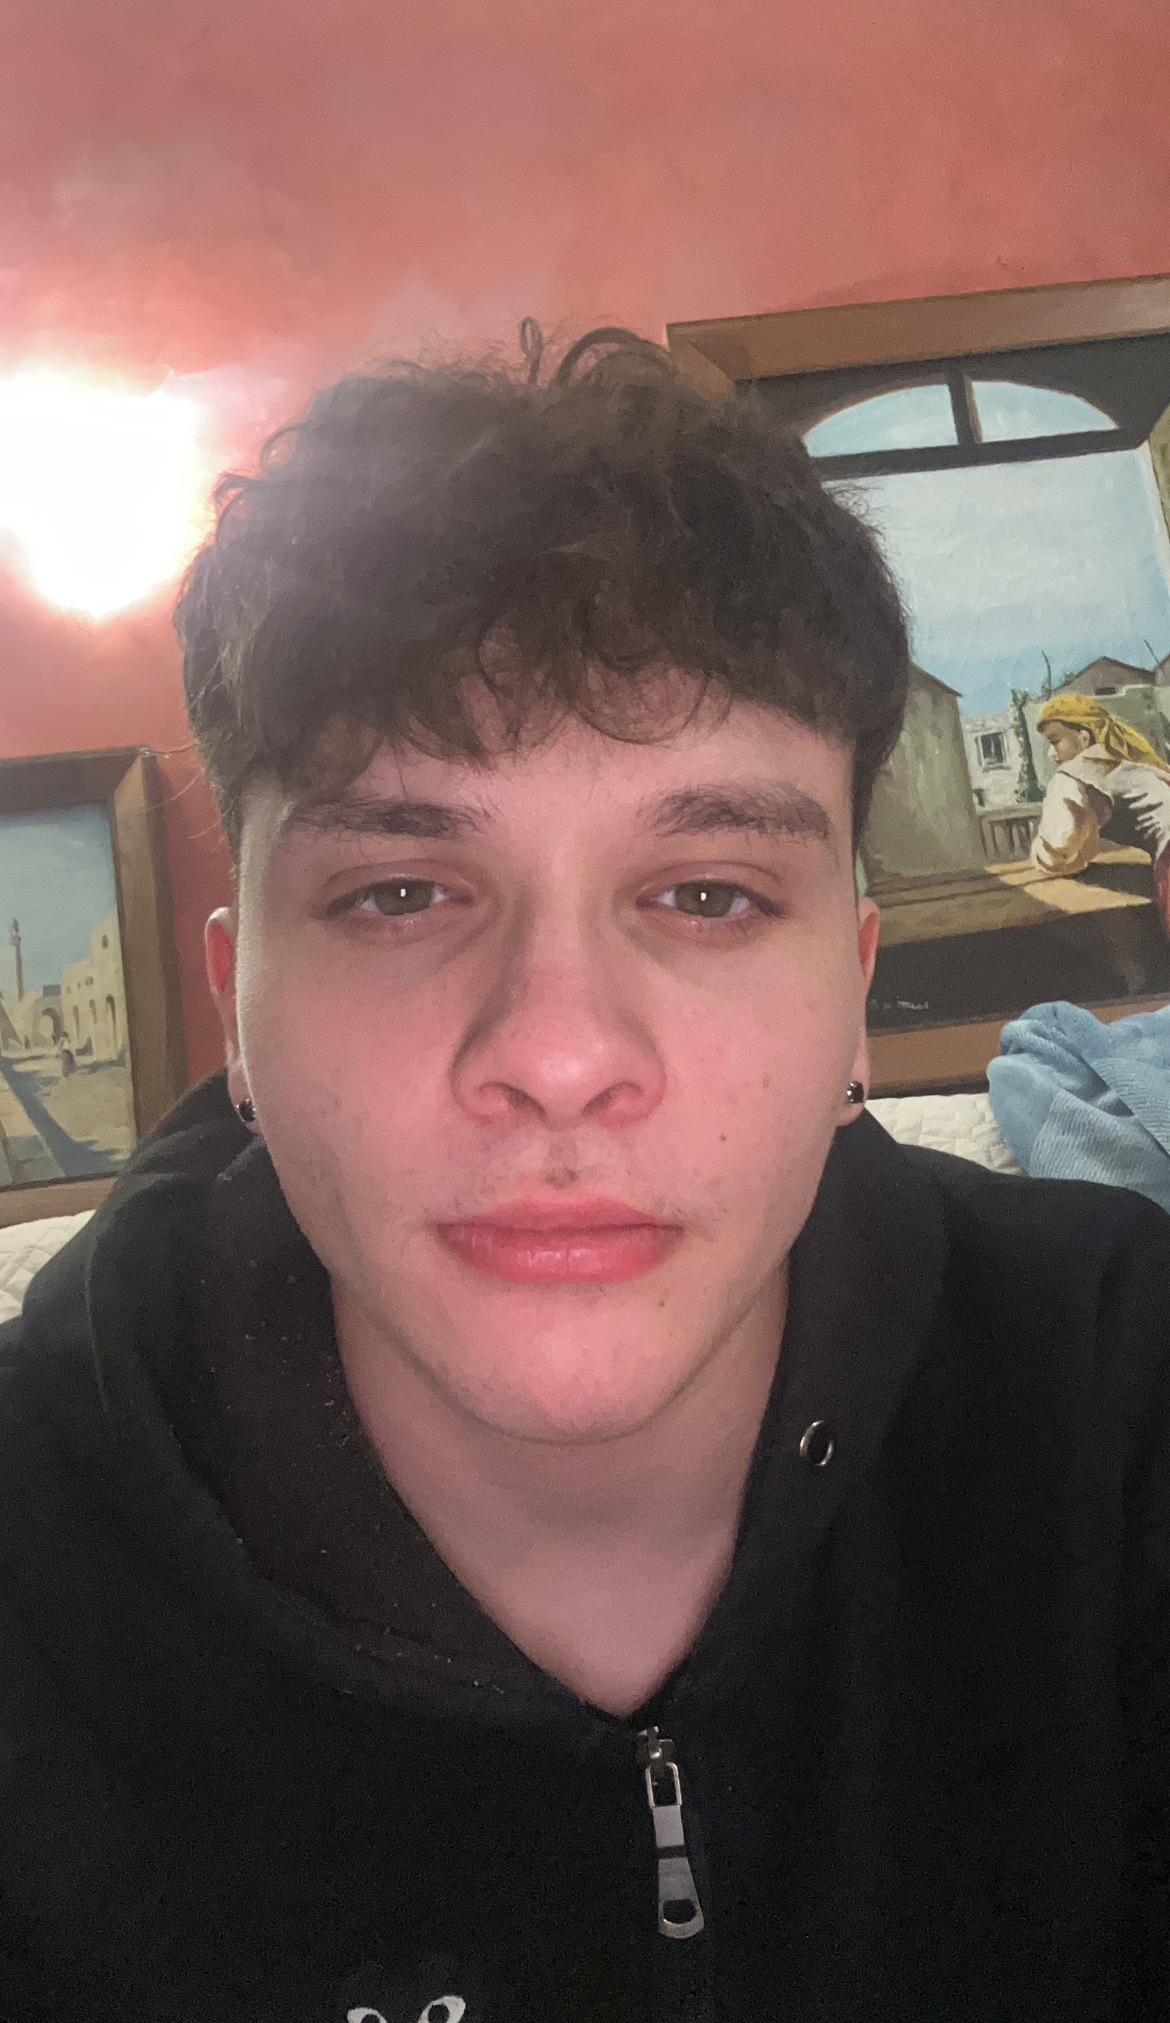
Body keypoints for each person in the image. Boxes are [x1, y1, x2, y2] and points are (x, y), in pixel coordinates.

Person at [2, 328, 1170, 2023]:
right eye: (400, 893)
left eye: (707, 893)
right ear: (236, 1002)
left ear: (851, 994)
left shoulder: (1123, 1397)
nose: (557, 1053)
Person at [1031, 690, 1170, 930]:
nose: (1051, 754)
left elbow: (1059, 850)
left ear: (1084, 738)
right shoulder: (1130, 766)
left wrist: (1038, 855)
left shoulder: (1074, 774)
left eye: (1055, 742)